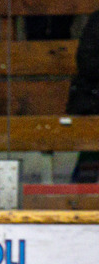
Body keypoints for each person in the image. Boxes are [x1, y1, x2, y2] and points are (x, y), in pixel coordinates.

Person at [68, 11, 99, 183]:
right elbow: (86, 61)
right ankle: (80, 192)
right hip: (93, 97)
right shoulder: (97, 21)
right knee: (93, 140)